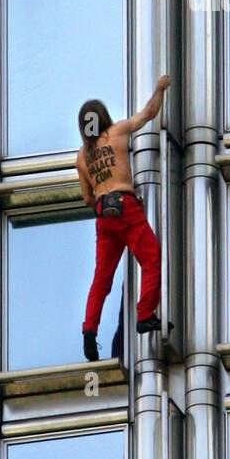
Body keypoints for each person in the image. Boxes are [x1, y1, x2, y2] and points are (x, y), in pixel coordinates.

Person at [78, 76, 170, 363]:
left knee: (101, 280)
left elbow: (86, 199)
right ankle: (144, 315)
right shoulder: (117, 132)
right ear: (103, 117)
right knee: (151, 257)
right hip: (126, 208)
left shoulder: (81, 157)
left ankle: (89, 332)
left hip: (104, 217)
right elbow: (148, 113)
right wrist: (160, 89)